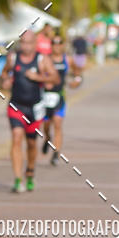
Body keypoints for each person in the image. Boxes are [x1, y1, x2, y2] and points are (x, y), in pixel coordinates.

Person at [1, 30, 58, 193]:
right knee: (16, 137)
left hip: (35, 107)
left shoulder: (42, 59)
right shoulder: (13, 57)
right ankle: (18, 179)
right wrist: (5, 79)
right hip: (16, 106)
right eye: (23, 42)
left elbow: (55, 78)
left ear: (35, 43)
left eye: (29, 42)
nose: (25, 46)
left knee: (32, 143)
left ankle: (30, 172)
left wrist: (38, 78)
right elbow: (5, 72)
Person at [42, 35, 71, 166]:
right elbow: (39, 74)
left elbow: (77, 73)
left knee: (58, 124)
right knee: (47, 126)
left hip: (59, 96)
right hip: (45, 97)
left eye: (59, 43)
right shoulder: (45, 60)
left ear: (63, 45)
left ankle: (56, 153)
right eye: (54, 43)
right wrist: (45, 81)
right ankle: (47, 138)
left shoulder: (67, 59)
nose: (57, 46)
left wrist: (77, 81)